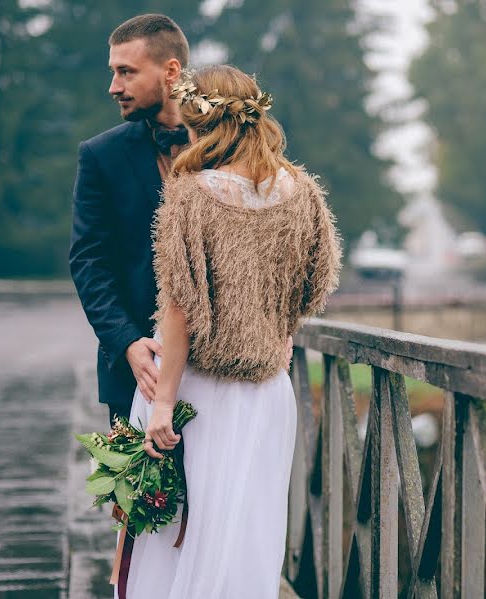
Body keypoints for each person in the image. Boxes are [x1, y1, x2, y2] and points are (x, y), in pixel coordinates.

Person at [121, 64, 341, 598]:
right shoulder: (303, 192)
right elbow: (316, 286)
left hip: (199, 388)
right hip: (267, 391)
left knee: (179, 531)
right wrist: (274, 325)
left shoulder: (190, 195)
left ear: (201, 125)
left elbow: (179, 310)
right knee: (249, 529)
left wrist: (163, 404)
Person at [69, 14, 193, 427]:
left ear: (171, 71)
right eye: (113, 72)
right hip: (140, 373)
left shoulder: (229, 147)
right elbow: (89, 262)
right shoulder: (99, 155)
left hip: (224, 374)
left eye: (126, 72)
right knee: (141, 496)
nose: (113, 87)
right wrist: (126, 343)